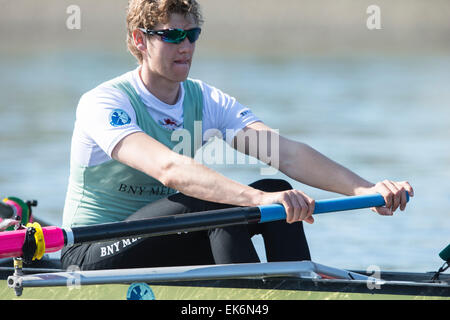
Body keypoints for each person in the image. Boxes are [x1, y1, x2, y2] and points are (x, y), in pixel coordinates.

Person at [60, 0, 414, 270]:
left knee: (277, 192)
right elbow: (169, 168)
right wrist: (252, 200)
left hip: (164, 239)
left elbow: (286, 153)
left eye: (192, 34)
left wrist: (367, 190)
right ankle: (245, 296)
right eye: (172, 36)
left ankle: (291, 285)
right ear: (140, 40)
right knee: (222, 198)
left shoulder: (207, 99)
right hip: (92, 250)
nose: (185, 46)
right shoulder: (105, 102)